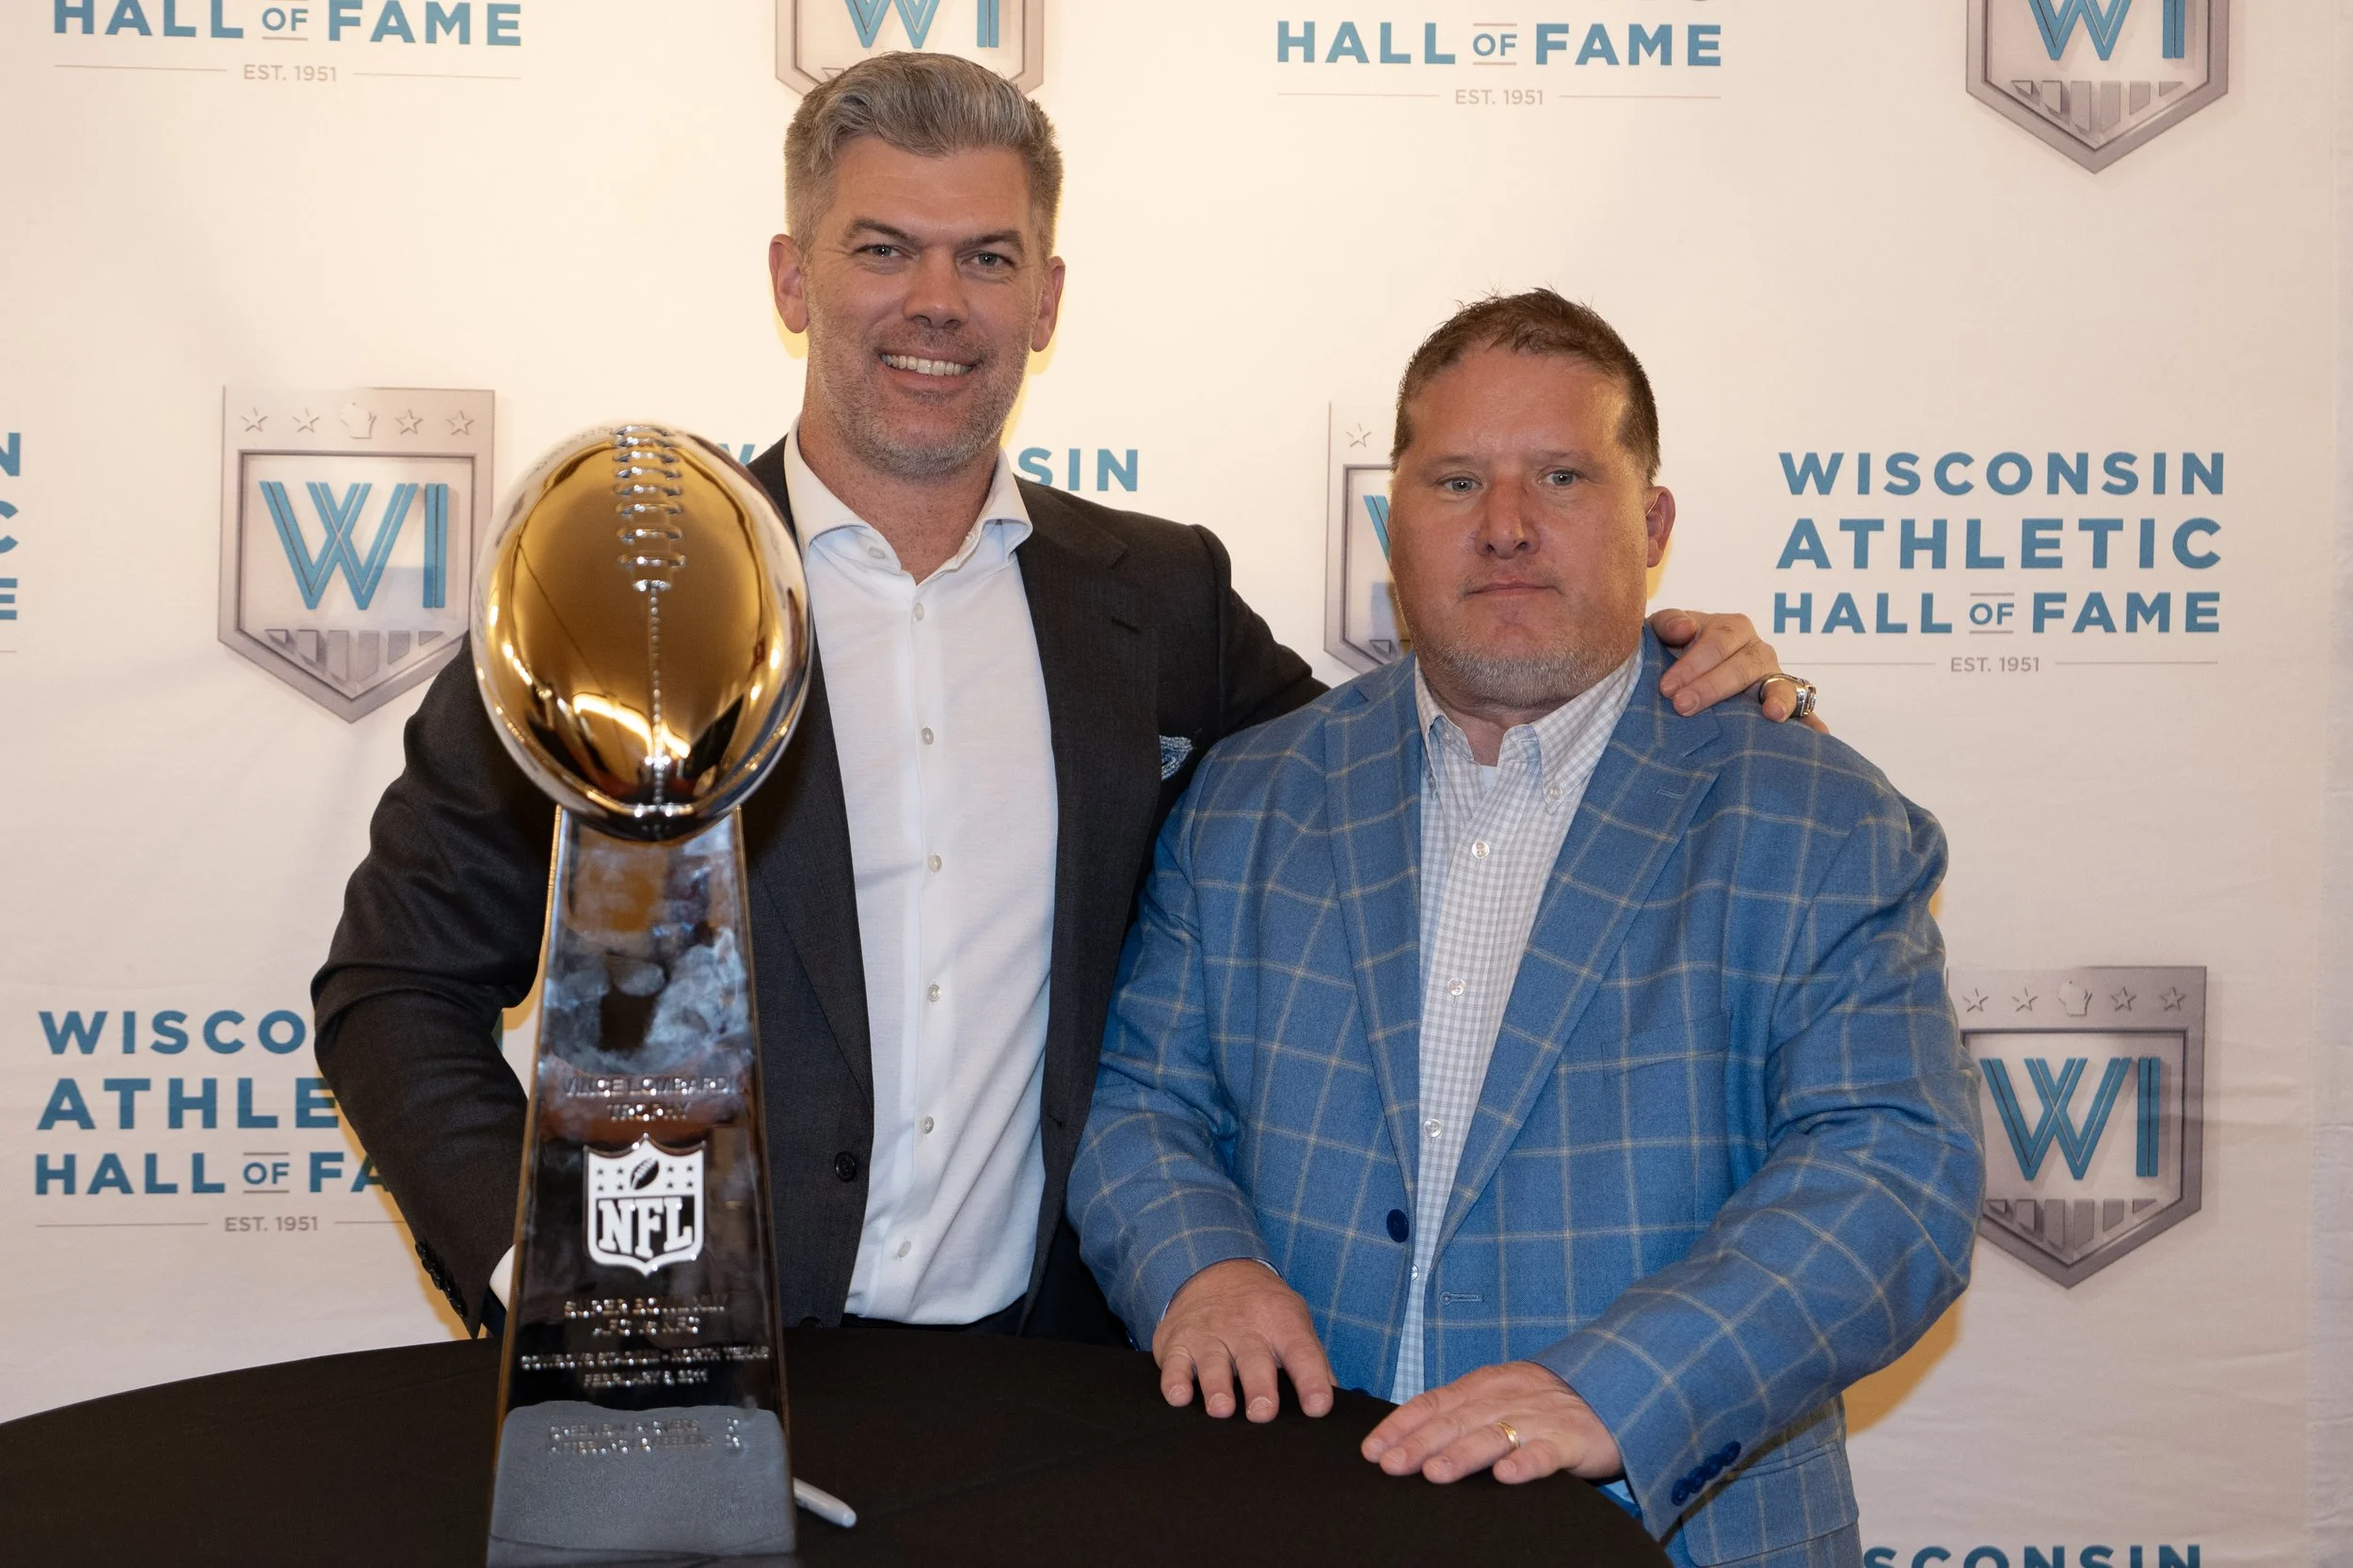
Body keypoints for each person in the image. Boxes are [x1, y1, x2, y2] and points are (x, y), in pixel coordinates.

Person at [312, 55, 1807, 1342]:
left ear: (1049, 297)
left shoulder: (1159, 602)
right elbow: (394, 987)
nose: (936, 305)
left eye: (988, 257)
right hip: (708, 1380)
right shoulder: (624, 585)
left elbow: (1418, 757)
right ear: (792, 277)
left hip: (1061, 1390)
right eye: (883, 248)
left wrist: (1654, 662)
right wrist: (563, 1280)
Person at [1070, 288, 1981, 1563]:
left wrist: (1624, 1385)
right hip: (1297, 1510)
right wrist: (1197, 1266)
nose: (1505, 527)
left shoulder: (1812, 810)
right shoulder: (1252, 793)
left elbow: (1892, 1171)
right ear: (1394, 523)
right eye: (1455, 482)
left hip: (1678, 1534)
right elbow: (1140, 1097)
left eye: (1560, 475)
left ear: (1651, 522)